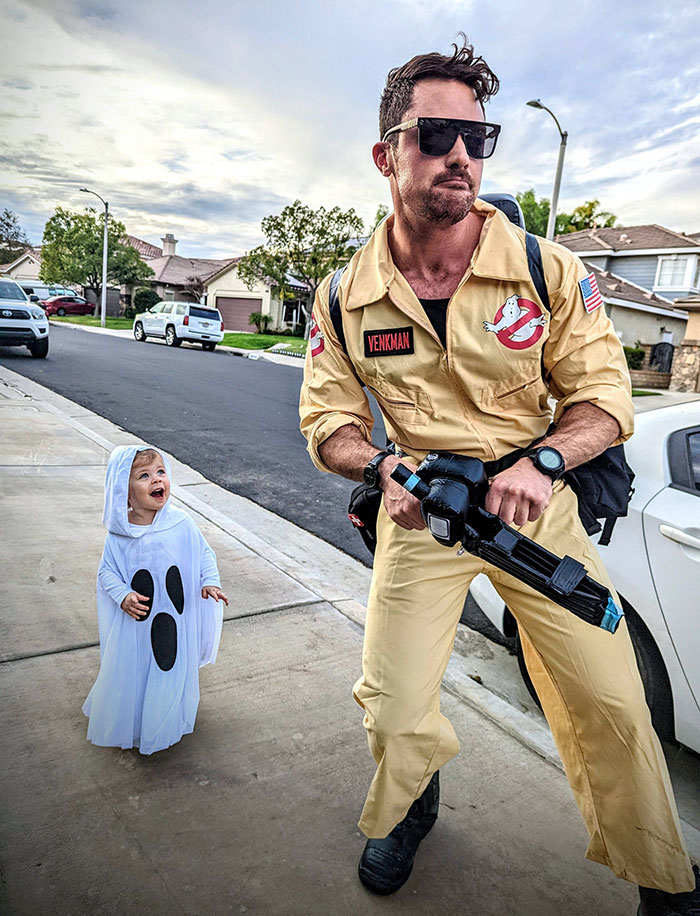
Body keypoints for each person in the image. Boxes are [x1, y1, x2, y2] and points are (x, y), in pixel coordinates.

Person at [299, 37, 699, 913]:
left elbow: (605, 402)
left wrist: (545, 458)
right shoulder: (342, 297)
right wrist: (384, 467)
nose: (461, 156)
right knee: (394, 705)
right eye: (437, 133)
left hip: (536, 515)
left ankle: (662, 877)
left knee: (614, 700)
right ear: (386, 154)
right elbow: (326, 425)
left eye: (479, 139)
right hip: (423, 523)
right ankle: (411, 804)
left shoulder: (547, 271)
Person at [83, 445, 228, 755]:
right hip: (138, 624)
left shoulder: (181, 524)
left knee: (170, 669)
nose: (156, 480)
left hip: (175, 620)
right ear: (124, 490)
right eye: (144, 476)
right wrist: (122, 596)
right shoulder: (119, 535)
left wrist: (210, 582)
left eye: (161, 472)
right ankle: (136, 723)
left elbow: (203, 554)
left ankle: (166, 720)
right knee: (138, 674)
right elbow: (107, 573)